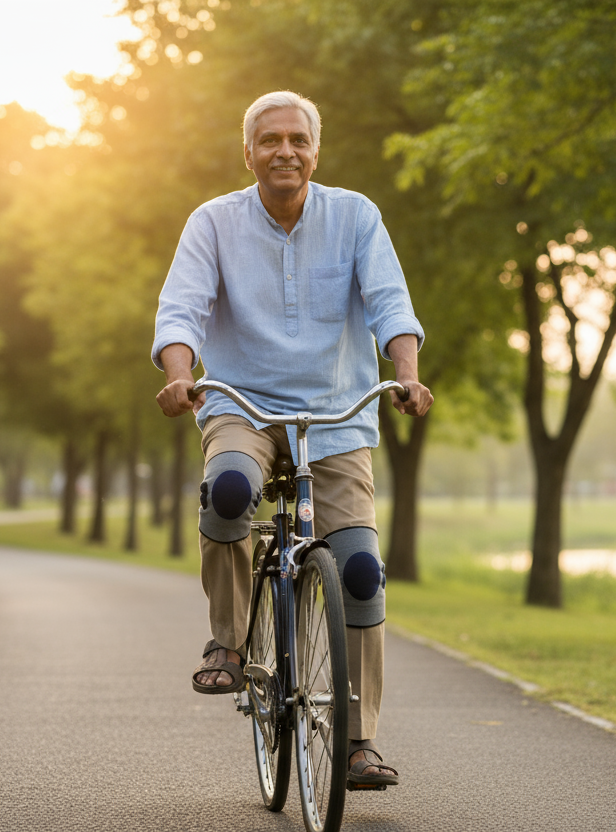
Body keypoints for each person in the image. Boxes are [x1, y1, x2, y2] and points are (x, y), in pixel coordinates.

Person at [152, 90, 433, 788]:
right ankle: (230, 638)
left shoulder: (356, 216)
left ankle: (358, 741)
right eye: (270, 140)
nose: (285, 151)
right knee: (229, 492)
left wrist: (406, 374)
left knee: (362, 572)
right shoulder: (212, 223)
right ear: (247, 152)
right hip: (240, 404)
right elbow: (182, 306)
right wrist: (180, 375)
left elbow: (389, 301)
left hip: (338, 414)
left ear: (316, 150)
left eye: (297, 140)